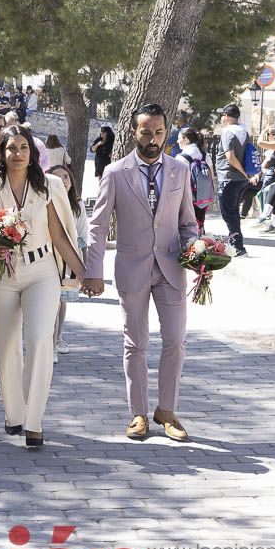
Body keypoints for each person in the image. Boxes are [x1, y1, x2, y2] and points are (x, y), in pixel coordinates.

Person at [0, 127, 83, 450]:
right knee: (7, 343)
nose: (18, 154)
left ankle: (34, 421)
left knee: (41, 337)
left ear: (32, 152)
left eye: (24, 147)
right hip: (0, 273)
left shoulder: (49, 186)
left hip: (41, 270)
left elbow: (59, 235)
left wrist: (85, 273)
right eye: (11, 148)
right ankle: (14, 413)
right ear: (2, 152)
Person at [82, 104, 200, 443]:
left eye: (159, 132)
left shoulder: (180, 169)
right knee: (135, 343)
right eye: (146, 132)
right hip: (132, 268)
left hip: (171, 267)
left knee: (176, 341)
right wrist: (94, 271)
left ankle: (167, 410)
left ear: (167, 132)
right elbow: (99, 225)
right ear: (134, 132)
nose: (152, 139)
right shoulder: (116, 173)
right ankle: (138, 414)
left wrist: (197, 251)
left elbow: (187, 222)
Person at [47, 165, 88, 356]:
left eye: (65, 177)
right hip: (48, 256)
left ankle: (58, 337)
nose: (62, 181)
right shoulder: (44, 202)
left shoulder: (77, 205)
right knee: (52, 300)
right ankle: (50, 343)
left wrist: (85, 266)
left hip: (70, 257)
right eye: (56, 178)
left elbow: (83, 235)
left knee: (62, 300)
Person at [214, 104, 250, 256]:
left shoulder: (228, 132)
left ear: (227, 117)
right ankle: (236, 242)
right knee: (233, 212)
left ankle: (237, 246)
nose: (221, 118)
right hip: (239, 180)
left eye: (222, 115)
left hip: (229, 177)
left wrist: (242, 171)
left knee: (228, 213)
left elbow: (230, 157)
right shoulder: (244, 132)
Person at [175, 127, 213, 233]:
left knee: (186, 226)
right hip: (202, 197)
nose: (177, 141)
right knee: (200, 223)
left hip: (186, 198)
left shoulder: (181, 158)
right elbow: (211, 176)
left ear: (186, 139)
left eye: (179, 138)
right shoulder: (205, 155)